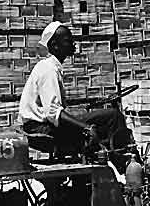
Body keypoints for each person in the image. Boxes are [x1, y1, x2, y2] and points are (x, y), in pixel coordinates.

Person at [18, 21, 129, 161]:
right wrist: (86, 128)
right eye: (67, 41)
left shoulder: (51, 67)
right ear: (54, 45)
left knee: (99, 125)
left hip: (41, 126)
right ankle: (125, 163)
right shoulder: (48, 70)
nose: (73, 43)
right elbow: (53, 113)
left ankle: (109, 163)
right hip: (42, 128)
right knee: (113, 116)